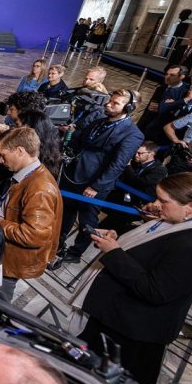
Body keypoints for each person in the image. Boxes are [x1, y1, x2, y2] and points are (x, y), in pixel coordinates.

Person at [80, 172, 192, 384]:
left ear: (190, 208)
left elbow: (155, 291)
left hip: (132, 332)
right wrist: (118, 238)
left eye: (163, 201)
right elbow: (151, 249)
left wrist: (114, 253)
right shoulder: (180, 223)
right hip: (116, 318)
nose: (155, 205)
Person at [51, 90, 144, 268]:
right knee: (66, 211)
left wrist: (96, 186)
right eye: (110, 100)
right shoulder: (100, 121)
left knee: (87, 220)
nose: (109, 104)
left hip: (95, 183)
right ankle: (58, 242)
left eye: (115, 103)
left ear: (128, 108)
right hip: (75, 175)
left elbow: (118, 164)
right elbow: (82, 139)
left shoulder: (133, 134)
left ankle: (76, 252)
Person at [0, 128, 62, 301]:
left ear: (20, 151)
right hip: (3, 254)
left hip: (9, 261)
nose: (0, 160)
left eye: (3, 155)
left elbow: (33, 235)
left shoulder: (40, 188)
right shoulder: (29, 176)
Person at [99, 142, 168, 234]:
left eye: (140, 153)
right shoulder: (136, 164)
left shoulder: (159, 170)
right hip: (124, 196)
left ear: (151, 154)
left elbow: (139, 182)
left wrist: (128, 166)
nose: (136, 155)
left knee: (112, 223)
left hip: (139, 204)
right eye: (136, 152)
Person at [138, 64, 187, 139]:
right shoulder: (161, 88)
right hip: (146, 126)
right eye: (167, 74)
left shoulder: (185, 93)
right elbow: (149, 109)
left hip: (161, 132)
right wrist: (139, 126)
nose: (167, 77)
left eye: (172, 75)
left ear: (182, 77)